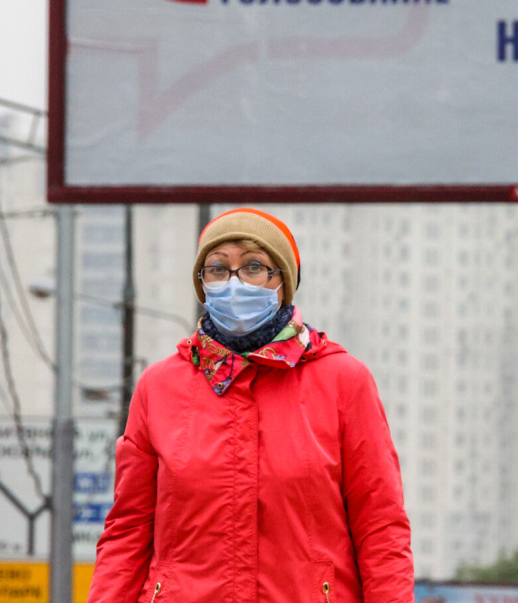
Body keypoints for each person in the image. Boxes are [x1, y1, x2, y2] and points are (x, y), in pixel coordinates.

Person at [87, 207, 413, 603]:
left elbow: (381, 527)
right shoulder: (160, 385)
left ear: (283, 282)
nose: (234, 282)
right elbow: (127, 532)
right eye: (217, 269)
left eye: (254, 266)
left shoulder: (343, 381)